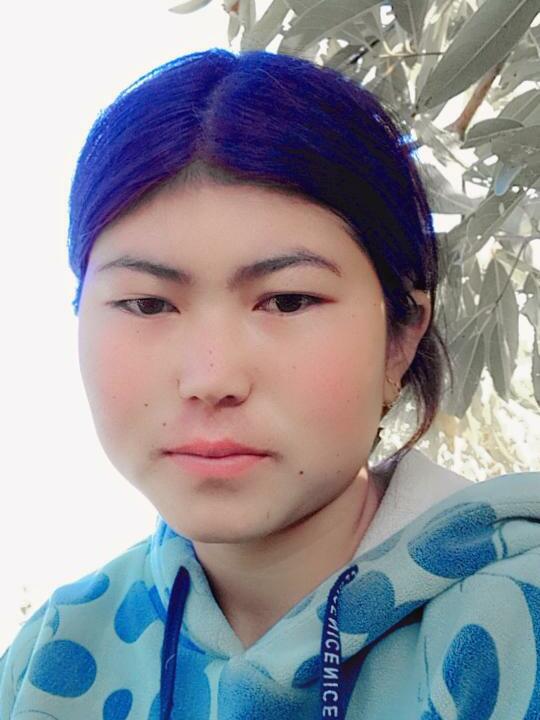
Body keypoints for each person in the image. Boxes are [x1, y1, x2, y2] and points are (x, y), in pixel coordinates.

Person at [1, 48, 539, 720]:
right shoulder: (49, 658)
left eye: (287, 301)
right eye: (147, 303)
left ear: (400, 338)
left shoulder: (519, 625)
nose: (212, 378)